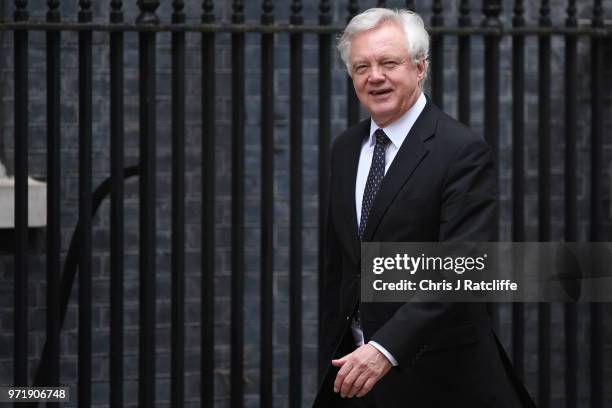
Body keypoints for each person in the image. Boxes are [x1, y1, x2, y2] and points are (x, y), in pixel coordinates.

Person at [314, 8, 534, 408]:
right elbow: (341, 266)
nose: (374, 76)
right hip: (355, 375)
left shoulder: (460, 150)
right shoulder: (346, 149)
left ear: (420, 68)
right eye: (361, 66)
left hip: (438, 377)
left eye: (389, 63)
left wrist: (385, 348)